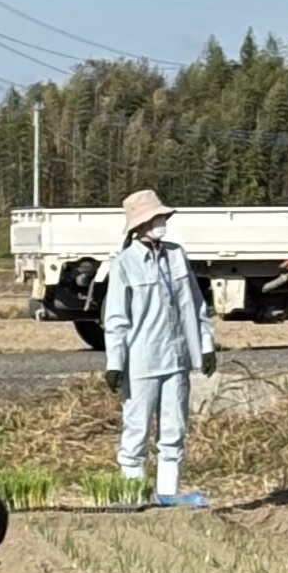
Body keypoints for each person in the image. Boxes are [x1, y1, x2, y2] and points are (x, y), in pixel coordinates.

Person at [102, 189, 216, 509]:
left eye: (162, 217)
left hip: (177, 358)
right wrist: (115, 362)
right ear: (139, 225)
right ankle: (134, 497)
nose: (161, 222)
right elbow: (116, 318)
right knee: (136, 429)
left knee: (174, 429)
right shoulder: (124, 263)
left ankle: (168, 495)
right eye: (155, 218)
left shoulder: (176, 255)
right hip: (141, 359)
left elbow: (196, 304)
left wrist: (206, 345)